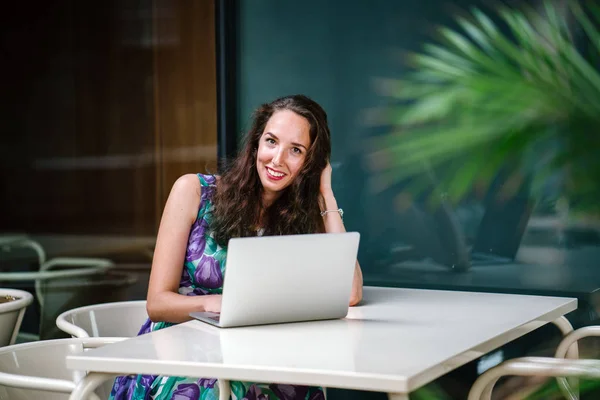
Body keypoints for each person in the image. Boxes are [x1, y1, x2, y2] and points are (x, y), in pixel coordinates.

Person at [109, 94, 363, 400]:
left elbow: (350, 293)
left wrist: (326, 194)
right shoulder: (194, 191)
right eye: (271, 141)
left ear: (311, 162)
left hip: (258, 356)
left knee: (296, 387)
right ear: (256, 143)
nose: (277, 159)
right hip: (181, 356)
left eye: (295, 150)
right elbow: (157, 303)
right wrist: (209, 305)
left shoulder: (304, 217)